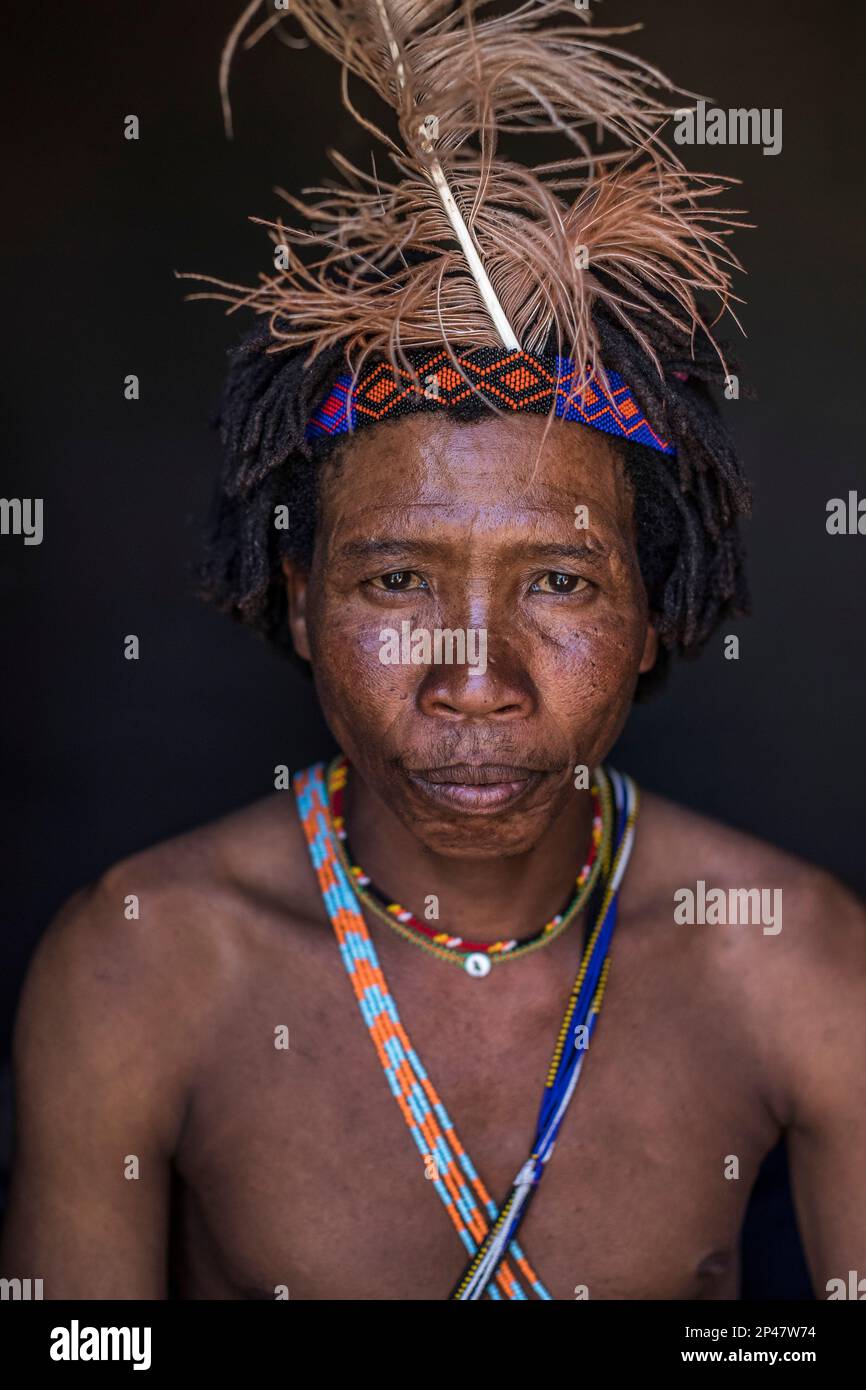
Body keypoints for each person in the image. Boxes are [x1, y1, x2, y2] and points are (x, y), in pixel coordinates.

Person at [2, 0, 865, 1300]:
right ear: (297, 601)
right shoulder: (139, 962)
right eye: (398, 577)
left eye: (560, 580)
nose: (476, 677)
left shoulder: (792, 956)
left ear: (648, 615)